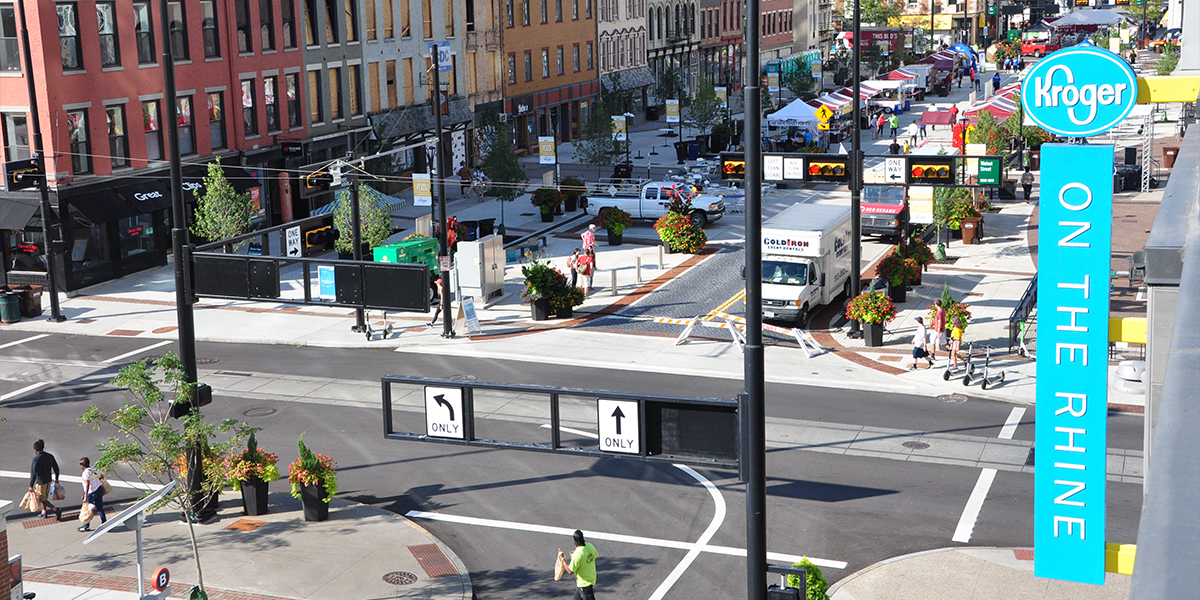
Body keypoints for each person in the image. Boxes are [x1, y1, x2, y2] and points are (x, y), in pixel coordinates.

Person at [557, 530, 599, 600]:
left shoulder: (578, 553)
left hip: (584, 584)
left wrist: (562, 559)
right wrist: (576, 558)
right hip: (591, 578)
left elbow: (570, 571)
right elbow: (591, 556)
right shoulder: (590, 546)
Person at [29, 439, 61, 520]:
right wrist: (56, 478)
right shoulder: (49, 456)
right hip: (48, 480)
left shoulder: (36, 459)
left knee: (40, 498)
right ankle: (44, 512)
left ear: (35, 450)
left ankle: (55, 509)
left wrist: (31, 485)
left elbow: (33, 473)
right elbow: (56, 468)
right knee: (44, 497)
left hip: (40, 481)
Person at [78, 457, 106, 532]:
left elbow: (87, 485)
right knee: (100, 507)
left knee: (87, 509)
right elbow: (102, 477)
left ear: (82, 466)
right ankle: (104, 522)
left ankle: (86, 526)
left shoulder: (85, 473)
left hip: (91, 493)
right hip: (99, 489)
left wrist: (85, 496)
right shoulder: (95, 469)